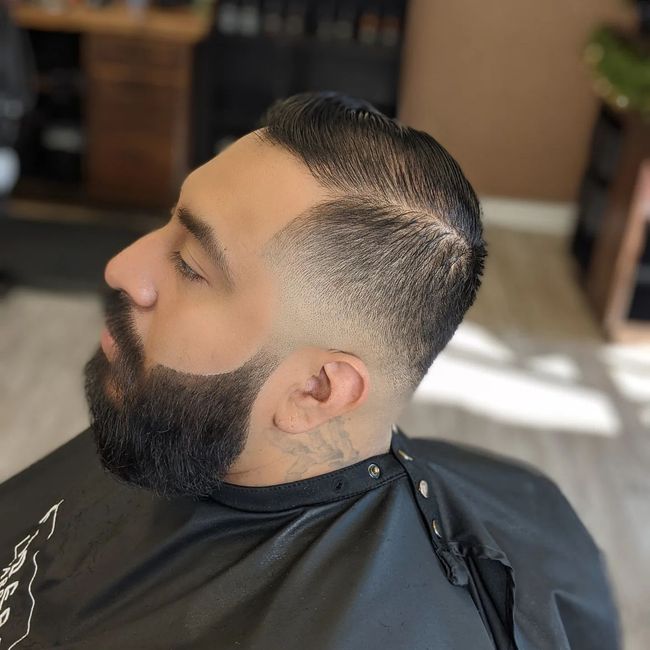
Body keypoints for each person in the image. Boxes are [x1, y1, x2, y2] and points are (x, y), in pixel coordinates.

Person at [0, 92, 619, 649]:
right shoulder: (175, 418)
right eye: (169, 221)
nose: (121, 267)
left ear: (314, 391)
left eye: (191, 265)